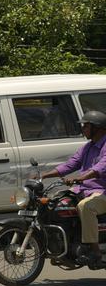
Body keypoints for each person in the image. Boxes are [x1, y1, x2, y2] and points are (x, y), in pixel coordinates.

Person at [41, 110, 106, 262]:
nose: (83, 129)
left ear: (97, 128)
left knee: (86, 207)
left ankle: (95, 250)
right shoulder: (88, 147)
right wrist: (44, 175)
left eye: (86, 126)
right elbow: (70, 164)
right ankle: (63, 243)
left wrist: (80, 178)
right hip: (83, 190)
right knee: (55, 202)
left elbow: (100, 168)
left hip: (101, 192)